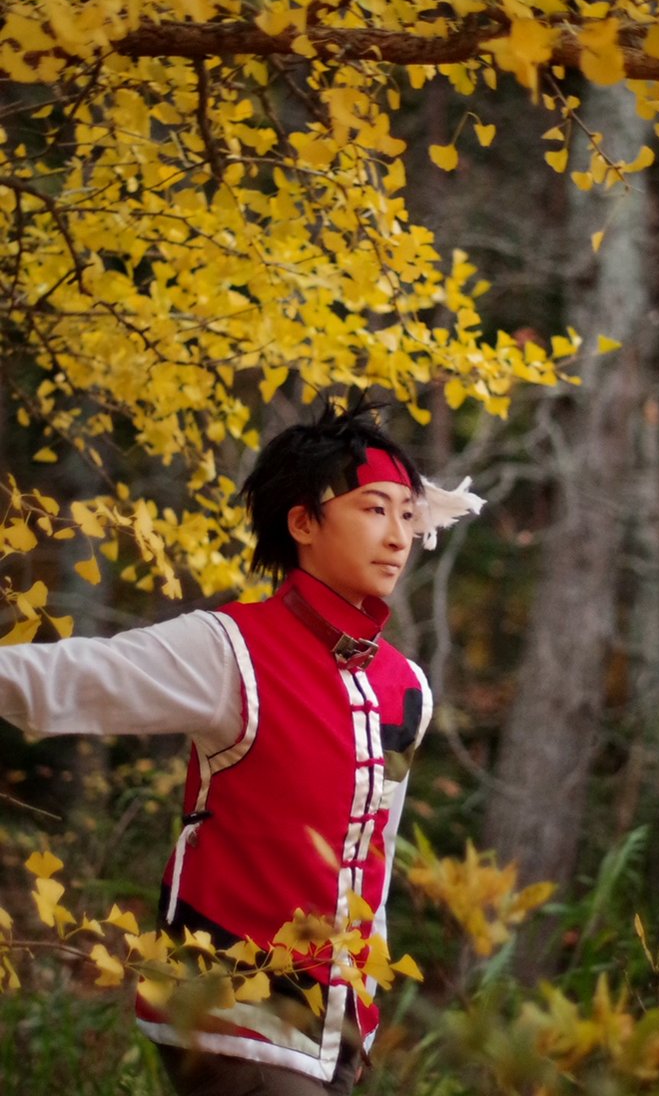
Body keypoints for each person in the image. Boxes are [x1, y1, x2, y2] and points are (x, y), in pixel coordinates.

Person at [0, 400, 484, 1095]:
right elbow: (66, 678)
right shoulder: (231, 650)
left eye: (407, 515)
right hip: (227, 1011)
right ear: (303, 523)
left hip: (334, 1033)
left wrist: (357, 1018)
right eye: (374, 509)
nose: (397, 536)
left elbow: (369, 865)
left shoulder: (405, 687)